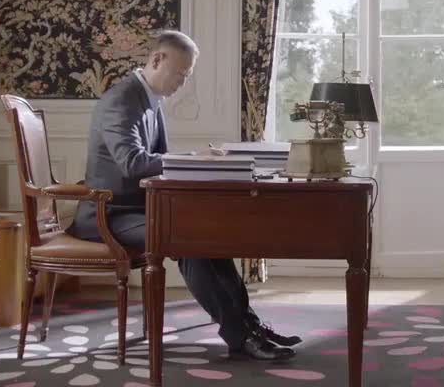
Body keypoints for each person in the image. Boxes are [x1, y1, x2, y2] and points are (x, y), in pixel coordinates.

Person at [69, 29, 301, 361]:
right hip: (109, 214)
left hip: (139, 209)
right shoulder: (121, 101)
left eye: (187, 76)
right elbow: (133, 163)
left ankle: (249, 325)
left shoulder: (149, 100)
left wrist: (201, 167)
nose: (182, 83)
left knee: (209, 237)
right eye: (180, 73)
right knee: (189, 242)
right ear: (157, 59)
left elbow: (160, 164)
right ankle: (240, 336)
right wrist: (194, 158)